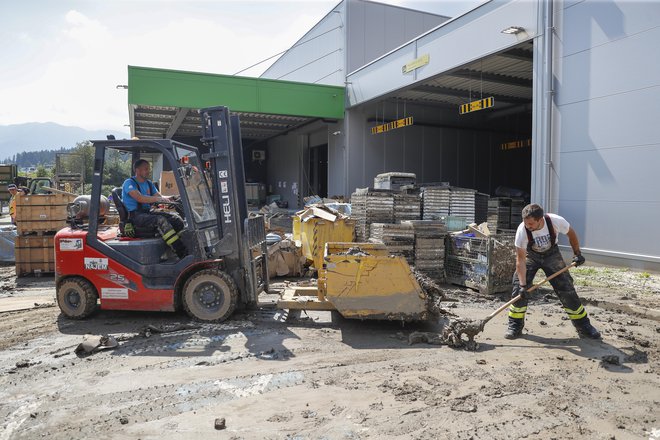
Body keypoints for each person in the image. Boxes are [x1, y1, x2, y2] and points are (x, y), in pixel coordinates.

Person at [506, 203, 600, 339]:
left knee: (567, 289)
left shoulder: (555, 221)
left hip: (552, 255)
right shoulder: (522, 231)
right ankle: (515, 325)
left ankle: (584, 326)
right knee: (518, 291)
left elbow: (571, 234)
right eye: (526, 223)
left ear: (540, 219)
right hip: (531, 256)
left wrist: (577, 253)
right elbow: (520, 260)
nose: (528, 226)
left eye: (531, 224)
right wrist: (522, 285)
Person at [121, 159, 187, 259]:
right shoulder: (129, 183)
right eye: (146, 169)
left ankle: (170, 249)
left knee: (177, 220)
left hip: (147, 213)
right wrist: (158, 198)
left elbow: (159, 196)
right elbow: (140, 198)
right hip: (135, 216)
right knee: (160, 220)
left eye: (149, 169)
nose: (148, 171)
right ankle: (182, 253)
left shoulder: (148, 183)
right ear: (137, 170)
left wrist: (173, 198)